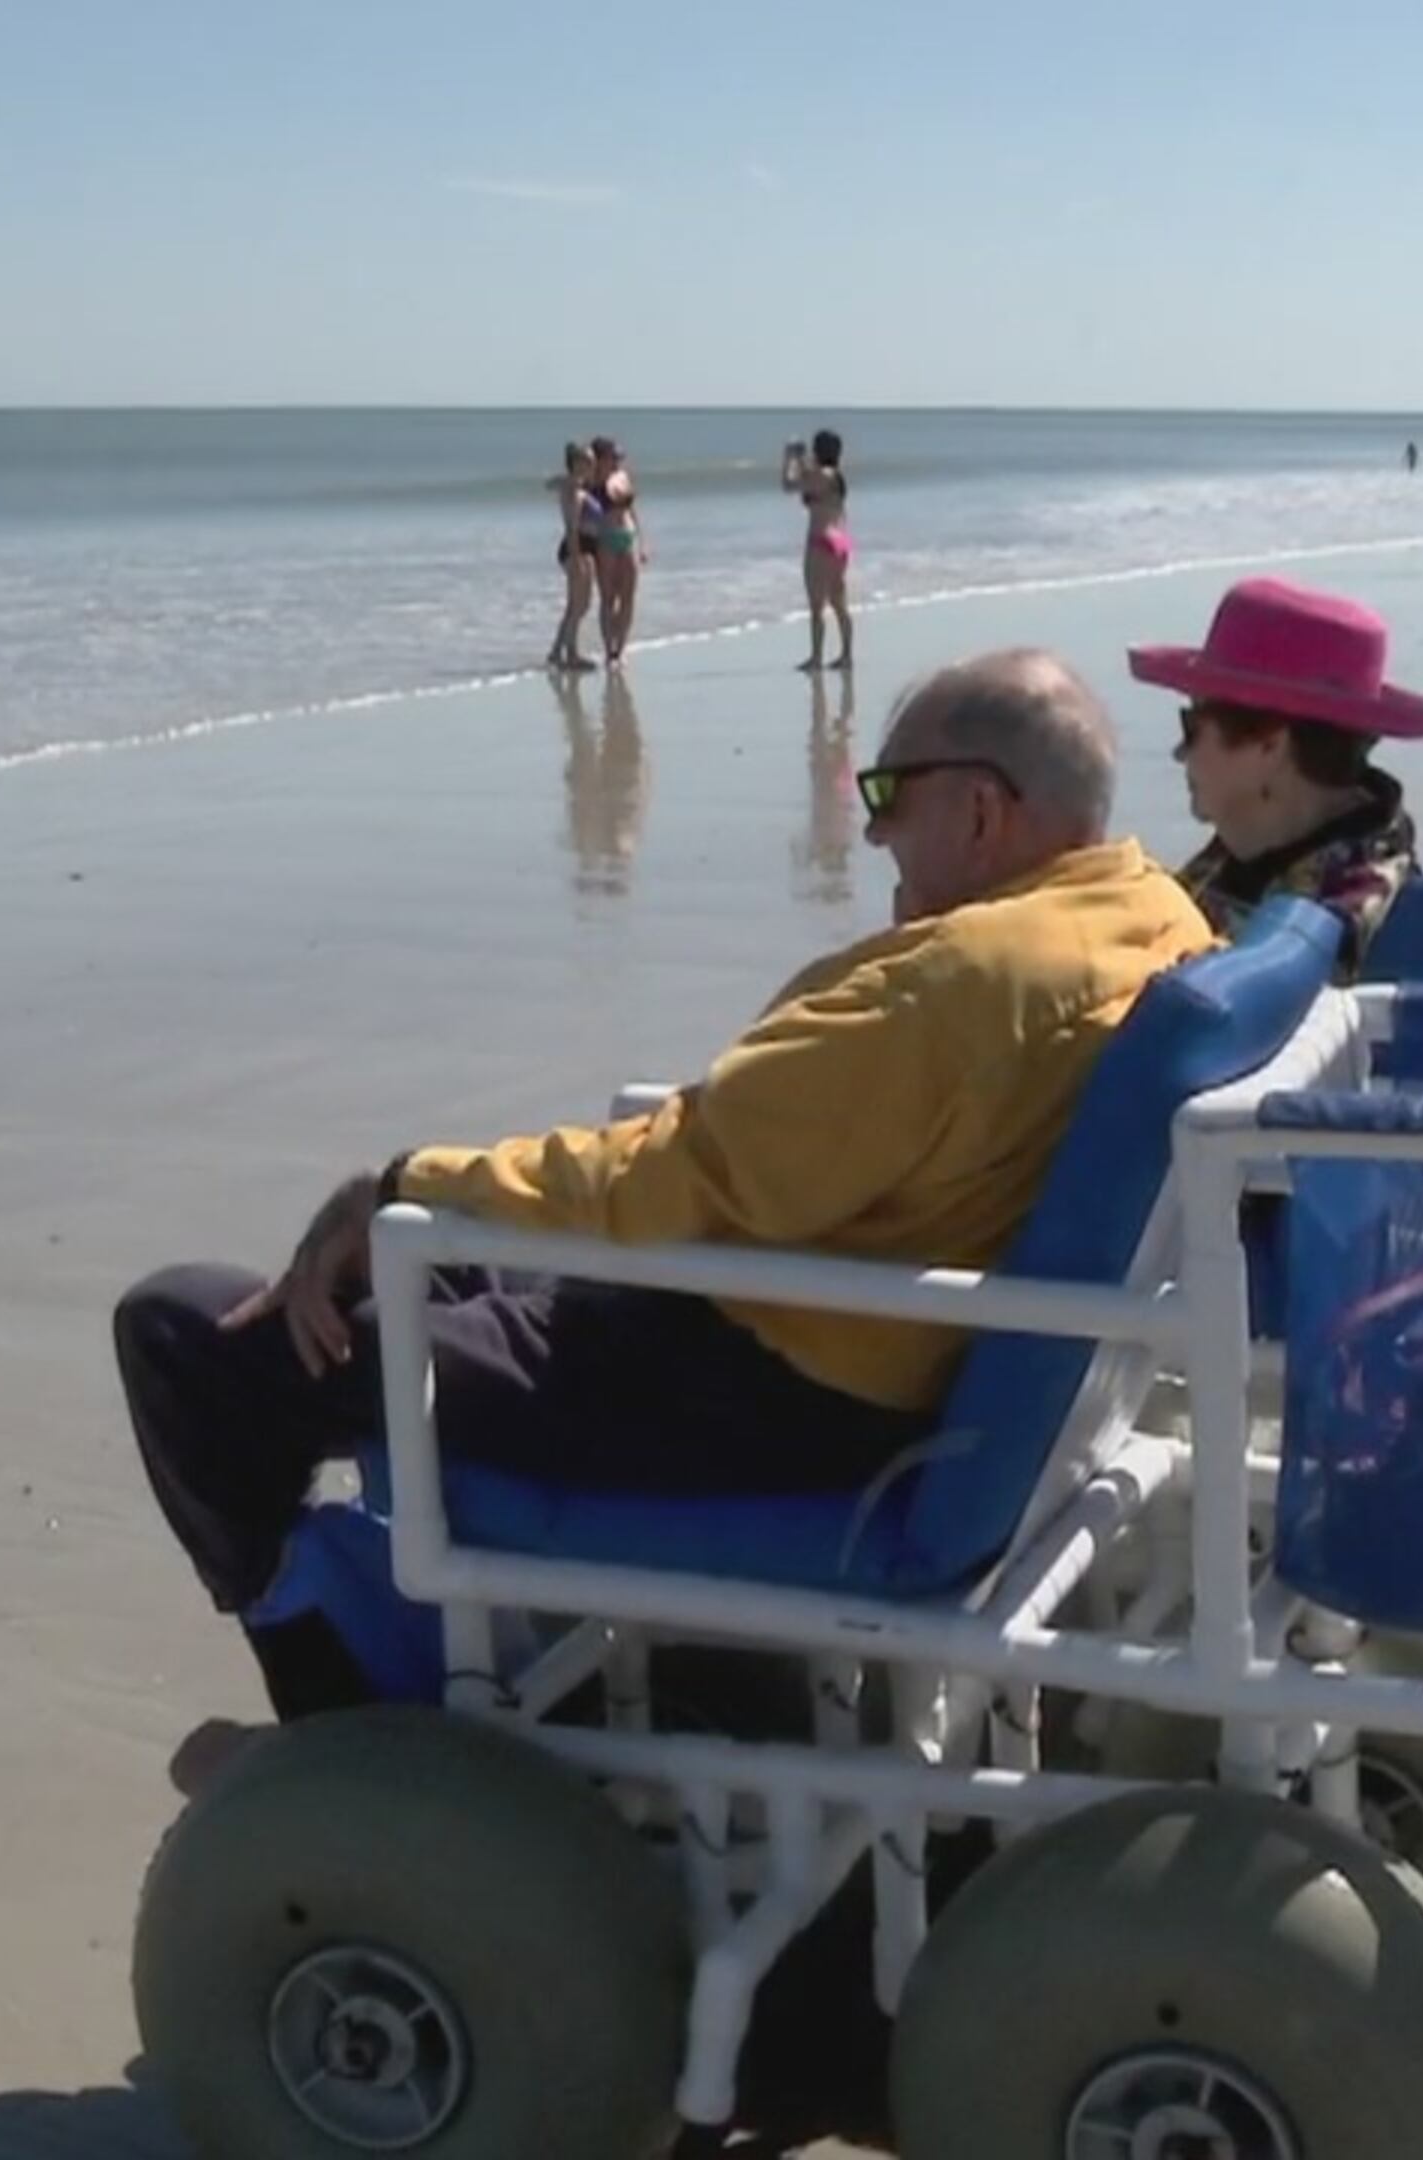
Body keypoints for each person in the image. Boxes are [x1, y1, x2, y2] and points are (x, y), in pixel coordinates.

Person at [116, 650, 1213, 1777]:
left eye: (889, 794)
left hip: (766, 1382)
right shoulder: (1152, 913)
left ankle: (345, 1736)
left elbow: (665, 1182)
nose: (874, 829)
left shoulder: (961, 984)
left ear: (981, 810)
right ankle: (414, 1640)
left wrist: (402, 1185)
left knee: (188, 1336)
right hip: (880, 1341)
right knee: (389, 1290)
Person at [1128, 576, 1423, 977]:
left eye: (1192, 729)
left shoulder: (1320, 936)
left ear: (1269, 746)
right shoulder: (1258, 848)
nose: (1179, 753)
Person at [780, 429, 856, 673]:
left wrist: (789, 458)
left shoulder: (821, 475)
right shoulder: (836, 477)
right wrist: (801, 461)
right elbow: (806, 482)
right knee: (839, 603)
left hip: (820, 543)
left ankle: (816, 657)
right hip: (840, 542)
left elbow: (788, 484)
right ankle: (846, 654)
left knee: (817, 606)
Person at [543, 440, 602, 671]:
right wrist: (577, 558)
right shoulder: (574, 491)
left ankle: (558, 651)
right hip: (577, 548)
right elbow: (572, 526)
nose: (593, 464)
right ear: (577, 463)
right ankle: (570, 654)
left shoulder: (577, 486)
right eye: (588, 461)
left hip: (585, 548)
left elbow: (550, 483)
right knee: (579, 605)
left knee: (578, 605)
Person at [590, 435, 646, 665]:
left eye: (618, 457)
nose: (617, 461)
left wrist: (642, 542)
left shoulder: (622, 476)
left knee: (628, 596)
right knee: (608, 597)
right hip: (605, 539)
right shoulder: (591, 481)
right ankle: (608, 649)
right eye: (613, 457)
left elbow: (633, 511)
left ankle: (621, 648)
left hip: (627, 536)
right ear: (600, 459)